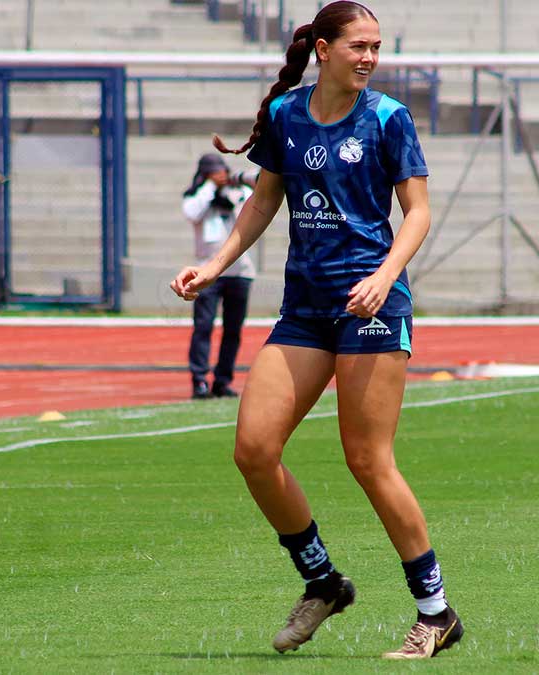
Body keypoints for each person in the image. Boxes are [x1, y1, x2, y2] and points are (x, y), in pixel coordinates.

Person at [170, 1, 461, 659]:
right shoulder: (286, 115)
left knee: (367, 458)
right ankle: (322, 580)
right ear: (323, 49)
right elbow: (265, 198)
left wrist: (385, 276)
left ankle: (436, 611)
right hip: (304, 308)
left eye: (377, 48)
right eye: (358, 45)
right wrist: (213, 267)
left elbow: (417, 212)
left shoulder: (388, 118)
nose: (369, 58)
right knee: (253, 448)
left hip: (373, 308)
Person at [182, 153, 257, 399]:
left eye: (221, 171)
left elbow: (255, 203)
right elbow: (192, 212)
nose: (220, 176)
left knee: (233, 330)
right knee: (203, 327)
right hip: (207, 273)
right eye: (214, 172)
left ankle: (223, 380)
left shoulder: (238, 194)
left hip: (240, 272)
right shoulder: (198, 197)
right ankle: (199, 380)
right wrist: (209, 186)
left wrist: (230, 186)